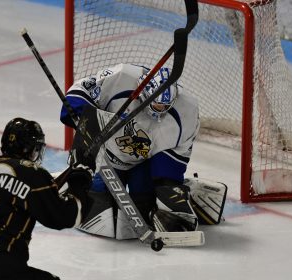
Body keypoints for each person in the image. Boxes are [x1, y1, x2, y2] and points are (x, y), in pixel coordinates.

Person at [60, 63, 205, 240]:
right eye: (154, 104)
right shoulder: (119, 78)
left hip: (142, 163)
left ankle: (188, 191)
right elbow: (83, 88)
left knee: (142, 204)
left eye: (162, 106)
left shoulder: (186, 111)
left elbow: (174, 155)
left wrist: (168, 187)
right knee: (97, 200)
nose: (156, 110)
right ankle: (75, 181)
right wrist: (79, 111)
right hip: (105, 156)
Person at [0, 117, 93, 280]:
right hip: (2, 265)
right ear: (30, 149)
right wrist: (81, 179)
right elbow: (68, 216)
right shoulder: (30, 172)